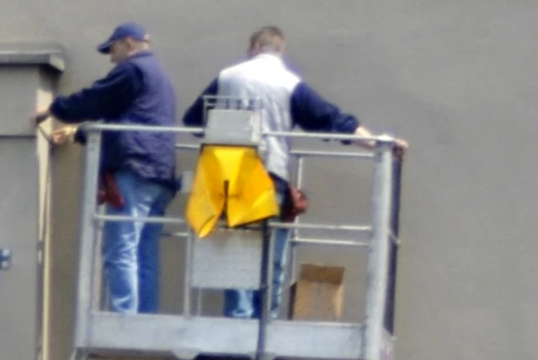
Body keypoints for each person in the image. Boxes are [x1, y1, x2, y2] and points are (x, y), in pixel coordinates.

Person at [183, 26, 394, 321]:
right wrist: (378, 144)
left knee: (236, 257)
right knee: (272, 259)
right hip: (270, 178)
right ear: (280, 51)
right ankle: (265, 322)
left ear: (255, 46)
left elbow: (192, 121)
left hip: (229, 179)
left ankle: (239, 319)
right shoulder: (289, 83)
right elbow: (331, 120)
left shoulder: (228, 76)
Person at [40, 24, 180, 314]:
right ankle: (144, 317)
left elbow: (97, 98)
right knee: (144, 252)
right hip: (159, 172)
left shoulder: (133, 70)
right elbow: (130, 122)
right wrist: (79, 133)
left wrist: (56, 108)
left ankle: (124, 317)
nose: (111, 57)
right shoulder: (159, 77)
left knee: (121, 249)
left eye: (112, 49)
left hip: (135, 168)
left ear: (128, 43)